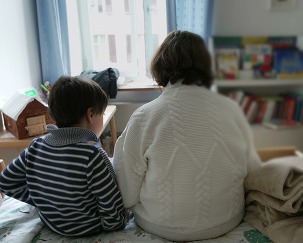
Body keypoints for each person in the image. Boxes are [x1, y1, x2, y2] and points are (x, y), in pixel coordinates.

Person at [112, 30, 262, 241]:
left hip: (159, 224)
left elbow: (126, 195)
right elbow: (251, 172)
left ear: (161, 66)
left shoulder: (144, 116)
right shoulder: (232, 110)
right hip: (226, 219)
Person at [0, 76, 126, 236]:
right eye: (102, 113)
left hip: (51, 224)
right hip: (88, 229)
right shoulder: (93, 155)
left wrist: (41, 200)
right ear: (91, 114)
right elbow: (113, 217)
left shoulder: (35, 146)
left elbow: (5, 182)